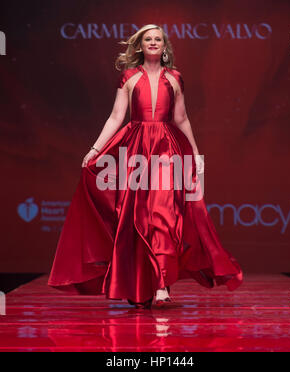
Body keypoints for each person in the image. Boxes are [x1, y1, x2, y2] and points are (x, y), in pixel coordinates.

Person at [48, 24, 243, 309]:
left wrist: (196, 154)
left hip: (166, 148)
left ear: (165, 47)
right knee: (136, 217)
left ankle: (162, 284)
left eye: (158, 39)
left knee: (164, 215)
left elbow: (182, 118)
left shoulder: (175, 78)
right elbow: (116, 118)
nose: (153, 43)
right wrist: (95, 149)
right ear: (140, 46)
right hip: (135, 148)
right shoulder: (128, 77)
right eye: (148, 39)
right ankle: (142, 282)